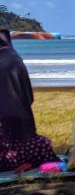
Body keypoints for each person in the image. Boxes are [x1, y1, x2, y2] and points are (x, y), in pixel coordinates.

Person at [0, 29, 59, 172]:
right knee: (43, 145)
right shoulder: (14, 60)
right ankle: (24, 162)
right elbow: (28, 96)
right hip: (17, 138)